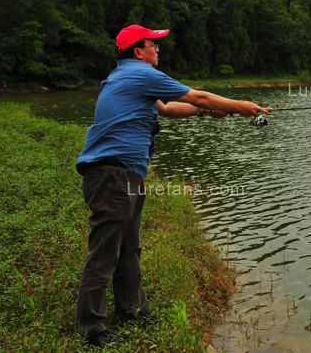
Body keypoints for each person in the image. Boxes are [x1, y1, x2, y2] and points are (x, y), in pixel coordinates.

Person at [74, 24, 269, 348]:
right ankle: (92, 329)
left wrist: (206, 111)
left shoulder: (125, 77)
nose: (158, 49)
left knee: (129, 248)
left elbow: (169, 108)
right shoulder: (140, 73)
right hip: (113, 175)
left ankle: (132, 310)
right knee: (105, 252)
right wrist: (241, 106)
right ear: (138, 51)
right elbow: (196, 95)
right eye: (154, 44)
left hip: (125, 174)